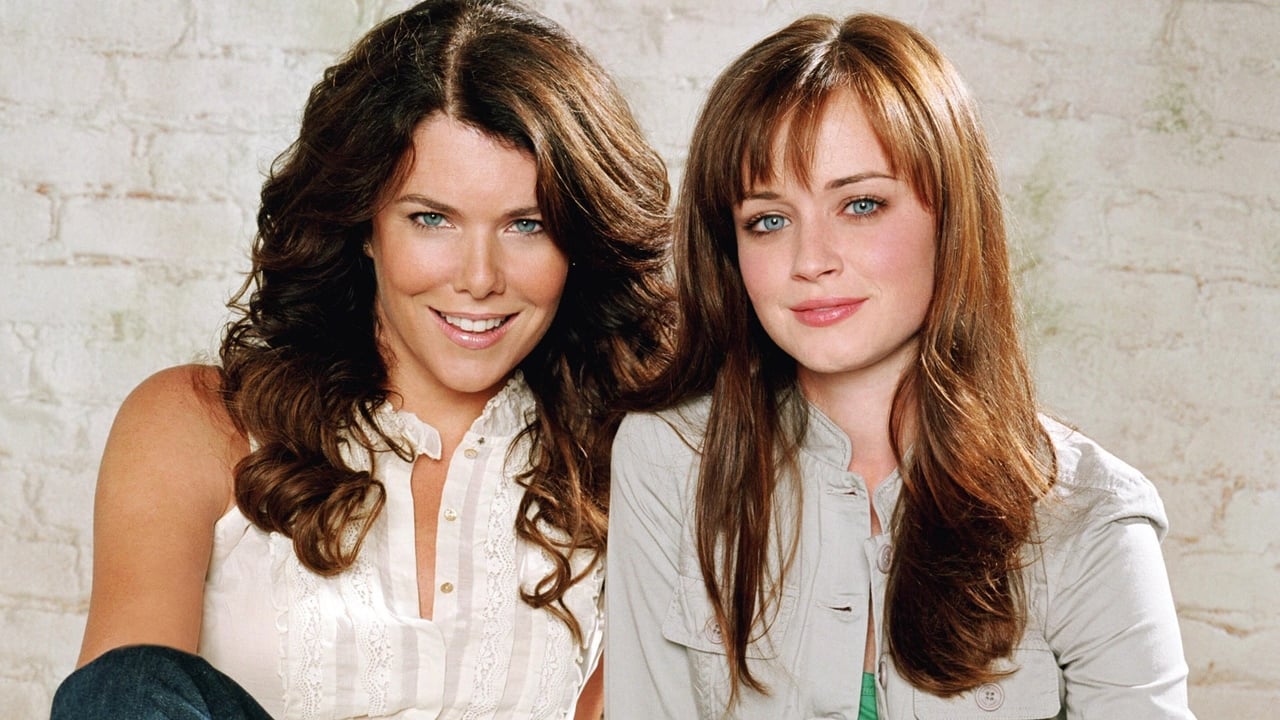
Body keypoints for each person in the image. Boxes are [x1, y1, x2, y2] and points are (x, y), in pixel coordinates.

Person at [52, 0, 671, 718]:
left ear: (579, 243)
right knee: (125, 681)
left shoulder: (641, 452)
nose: (479, 278)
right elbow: (121, 700)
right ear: (365, 225)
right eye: (431, 218)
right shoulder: (196, 425)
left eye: (527, 225)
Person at [604, 12, 1195, 720]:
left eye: (861, 205)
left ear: (952, 218)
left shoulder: (1089, 513)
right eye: (768, 220)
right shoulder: (668, 462)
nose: (810, 260)